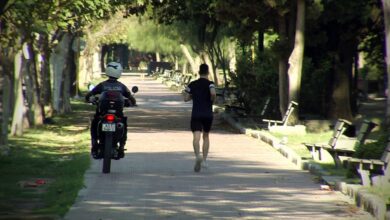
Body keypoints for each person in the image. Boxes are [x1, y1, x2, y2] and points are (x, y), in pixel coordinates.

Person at [85, 61, 136, 159]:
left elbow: (89, 95)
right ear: (119, 72)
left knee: (94, 123)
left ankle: (94, 144)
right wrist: (131, 102)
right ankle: (121, 146)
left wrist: (90, 99)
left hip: (102, 113)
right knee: (123, 124)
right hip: (118, 114)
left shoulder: (102, 85)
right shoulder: (121, 86)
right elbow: (131, 98)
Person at [183, 64, 216, 172]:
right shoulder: (210, 84)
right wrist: (212, 99)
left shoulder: (193, 84)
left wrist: (193, 96)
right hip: (207, 114)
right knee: (206, 136)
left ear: (199, 72)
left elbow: (186, 98)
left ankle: (198, 156)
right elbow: (213, 93)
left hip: (196, 113)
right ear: (208, 72)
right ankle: (205, 160)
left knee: (196, 137)